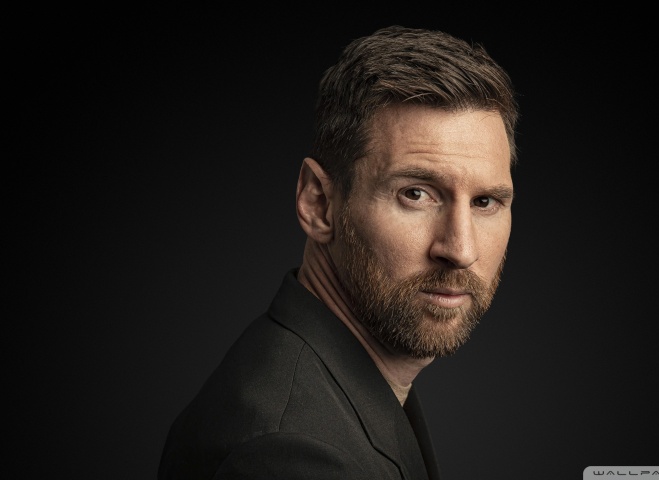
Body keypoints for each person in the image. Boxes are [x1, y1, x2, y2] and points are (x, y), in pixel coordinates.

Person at [158, 25, 519, 479]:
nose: (461, 250)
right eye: (415, 194)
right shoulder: (288, 453)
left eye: (485, 202)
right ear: (319, 204)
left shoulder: (345, 388)